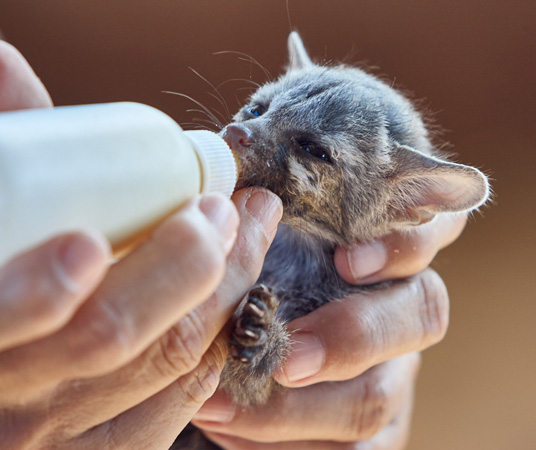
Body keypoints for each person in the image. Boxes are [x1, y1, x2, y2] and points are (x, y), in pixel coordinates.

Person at [0, 40, 468, 449]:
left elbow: (258, 379)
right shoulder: (202, 201)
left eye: (312, 149)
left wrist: (265, 343)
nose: (245, 133)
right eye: (257, 110)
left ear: (401, 203)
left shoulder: (354, 290)